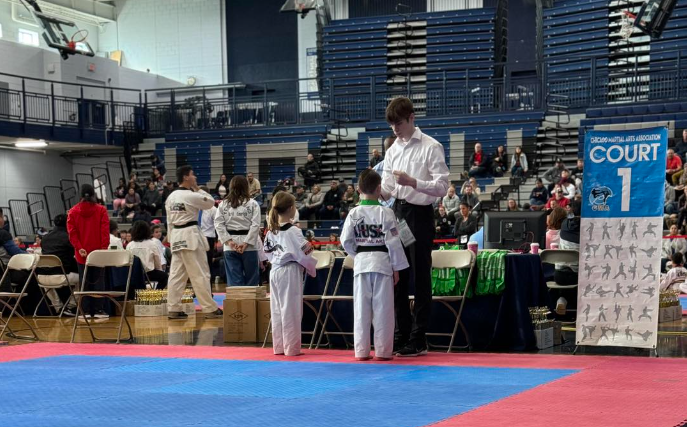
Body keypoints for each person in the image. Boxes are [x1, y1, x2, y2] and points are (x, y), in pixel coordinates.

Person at [381, 96, 449, 357]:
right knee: (398, 276)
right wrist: (374, 192)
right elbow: (388, 189)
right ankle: (401, 334)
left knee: (420, 276)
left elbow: (442, 187)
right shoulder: (392, 150)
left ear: (411, 118)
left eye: (399, 123)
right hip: (397, 214)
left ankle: (419, 338)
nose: (395, 129)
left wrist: (414, 183)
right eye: (392, 125)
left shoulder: (431, 147)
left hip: (419, 214)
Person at [341, 169, 409, 361]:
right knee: (383, 309)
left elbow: (345, 241)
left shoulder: (353, 213)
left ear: (358, 189)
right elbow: (394, 243)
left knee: (362, 309)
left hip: (362, 264)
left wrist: (360, 255)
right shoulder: (386, 212)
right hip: (382, 264)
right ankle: (383, 351)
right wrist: (396, 267)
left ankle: (361, 351)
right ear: (379, 189)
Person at [165, 166, 222, 319]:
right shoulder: (190, 195)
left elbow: (169, 221)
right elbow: (210, 202)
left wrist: (171, 240)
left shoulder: (171, 197)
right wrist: (198, 189)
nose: (195, 177)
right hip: (190, 236)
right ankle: (209, 308)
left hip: (176, 236)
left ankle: (173, 308)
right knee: (200, 273)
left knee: (176, 275)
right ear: (185, 177)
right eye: (193, 175)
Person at [264, 191, 317, 356]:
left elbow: (266, 252)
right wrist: (311, 261)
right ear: (291, 208)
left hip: (275, 270)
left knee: (277, 309)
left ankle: (279, 347)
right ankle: (292, 349)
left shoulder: (271, 230)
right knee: (291, 310)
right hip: (289, 271)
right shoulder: (293, 230)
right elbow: (305, 252)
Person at [67, 184, 110, 319]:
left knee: (84, 281)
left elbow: (72, 233)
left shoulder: (73, 212)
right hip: (98, 253)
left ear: (80, 195)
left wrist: (79, 247)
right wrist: (103, 249)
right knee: (99, 281)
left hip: (81, 253)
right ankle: (99, 310)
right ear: (93, 195)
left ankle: (84, 311)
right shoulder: (101, 210)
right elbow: (104, 232)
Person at [214, 175, 261, 286]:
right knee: (252, 281)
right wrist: (246, 243)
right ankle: (250, 303)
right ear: (246, 187)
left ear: (231, 187)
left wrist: (229, 241)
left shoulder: (223, 204)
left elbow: (218, 224)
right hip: (249, 245)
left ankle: (237, 303)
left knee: (234, 281)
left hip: (230, 246)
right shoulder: (253, 203)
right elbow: (255, 225)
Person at [38, 214, 78, 316]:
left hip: (41, 277)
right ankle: (70, 307)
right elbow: (73, 256)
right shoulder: (69, 237)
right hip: (61, 276)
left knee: (47, 280)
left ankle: (58, 308)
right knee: (85, 279)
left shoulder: (45, 238)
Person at [554, 200, 580, 315]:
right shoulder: (588, 227)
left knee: (566, 274)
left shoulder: (564, 223)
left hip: (559, 275)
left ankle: (562, 299)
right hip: (578, 275)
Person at [127, 220, 168, 290]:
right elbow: (157, 262)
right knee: (164, 276)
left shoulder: (130, 245)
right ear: (147, 231)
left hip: (133, 274)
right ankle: (156, 294)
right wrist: (159, 270)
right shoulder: (152, 244)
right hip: (149, 274)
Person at [199, 187, 218, 282]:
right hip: (195, 237)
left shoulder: (212, 209)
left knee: (207, 265)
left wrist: (218, 240)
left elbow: (218, 225)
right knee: (196, 265)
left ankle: (208, 290)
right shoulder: (194, 208)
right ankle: (197, 290)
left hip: (208, 238)